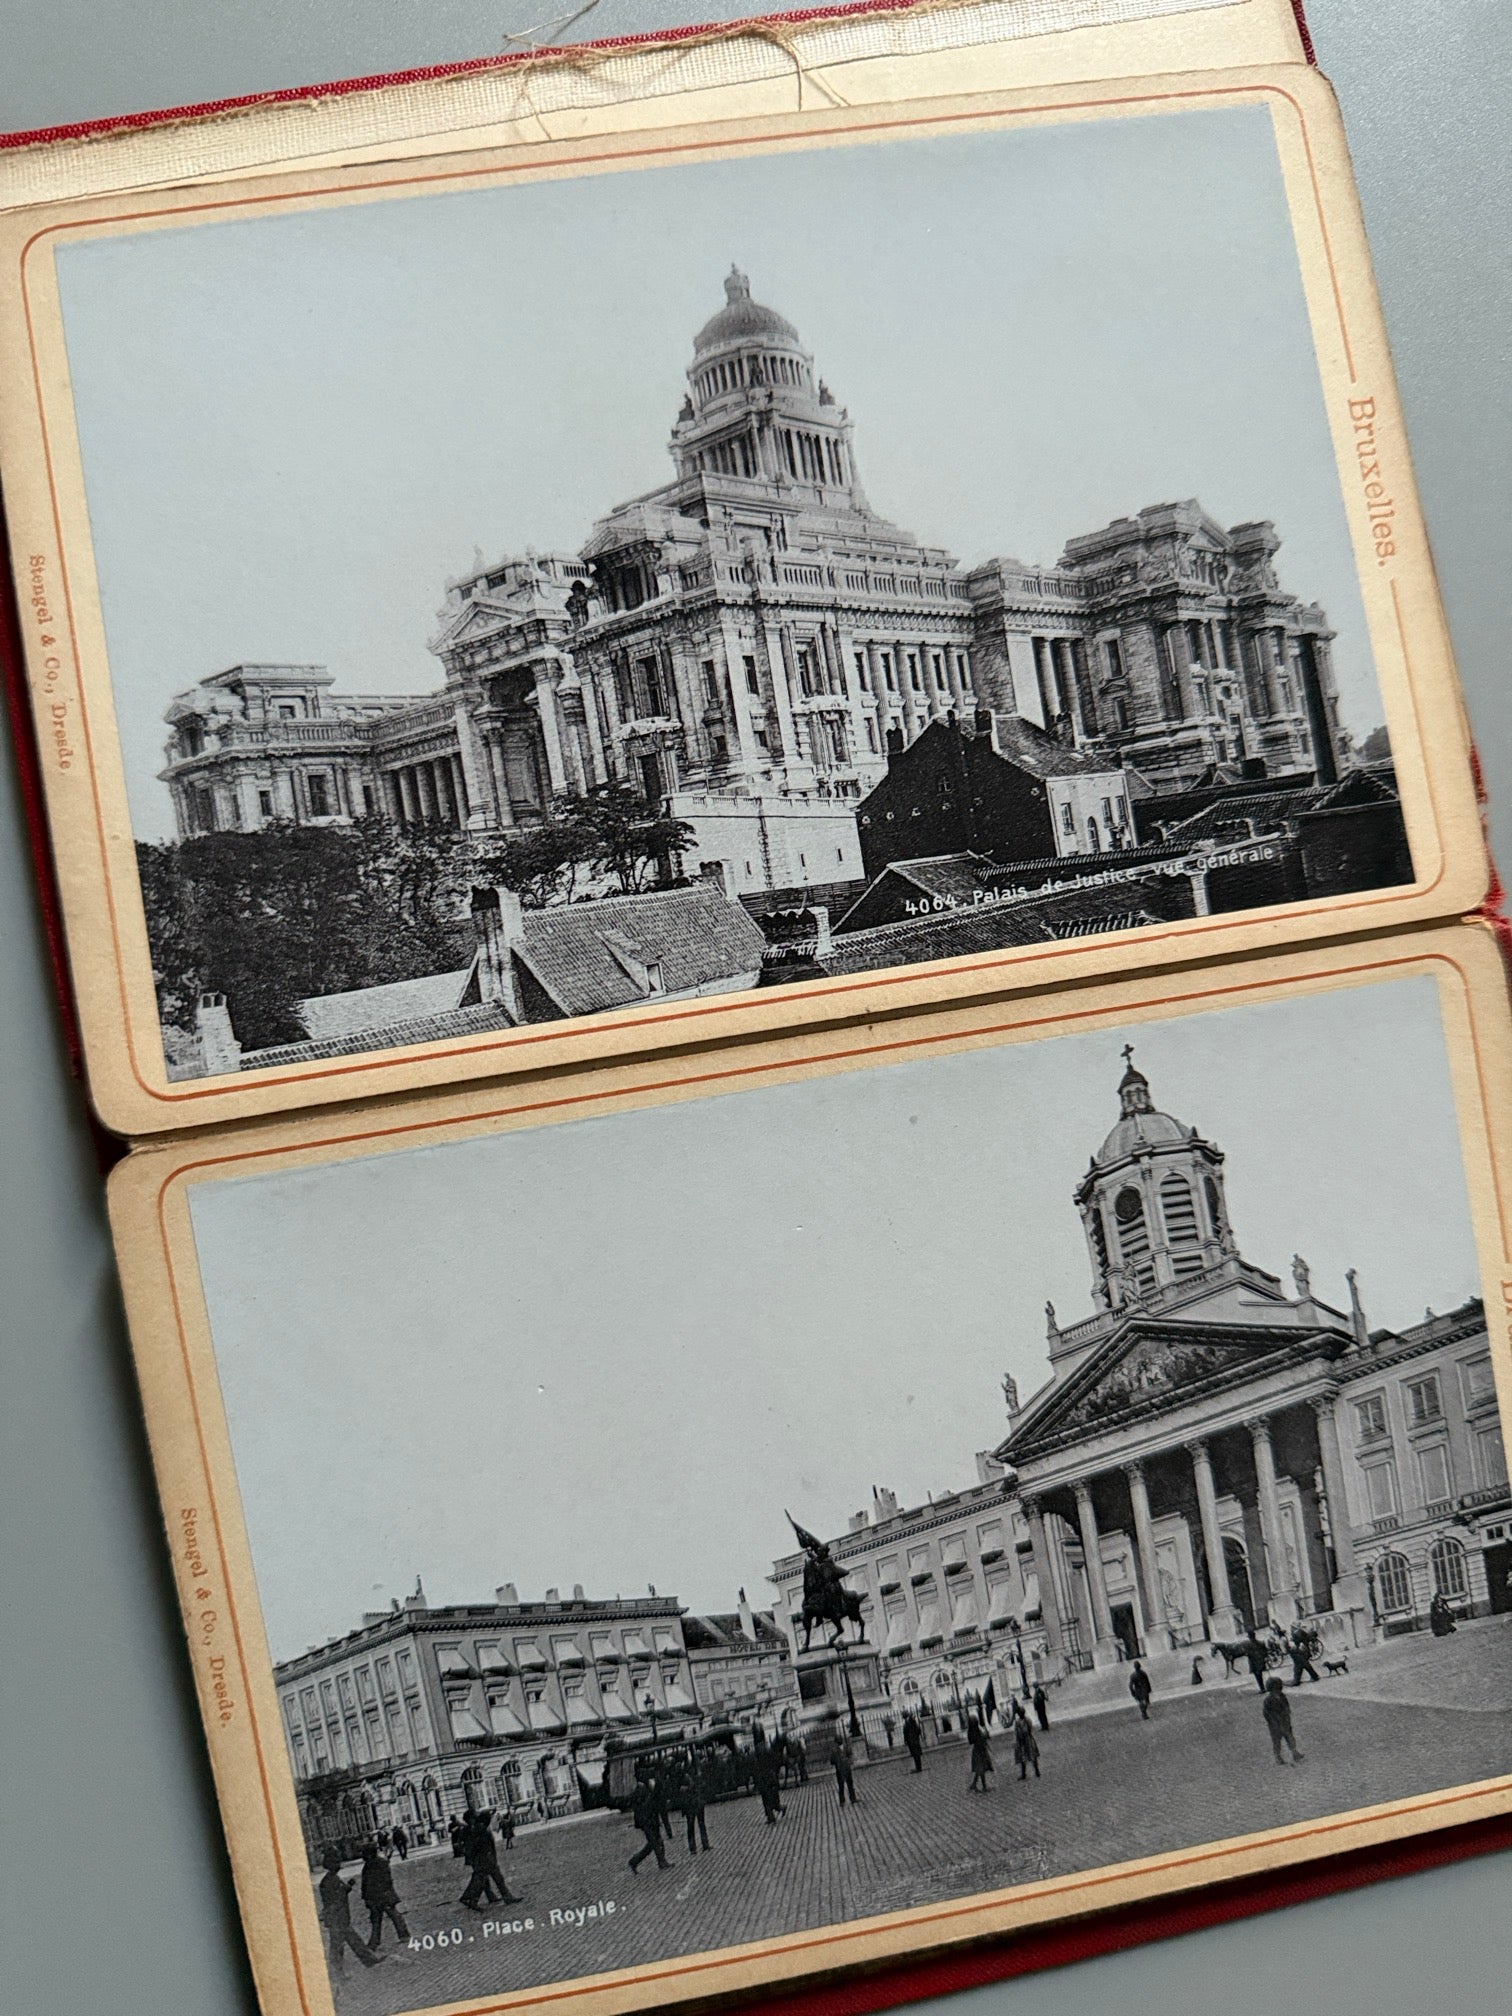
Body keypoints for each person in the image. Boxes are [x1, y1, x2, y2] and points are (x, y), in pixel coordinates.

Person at [317, 1848, 384, 1972]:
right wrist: (346, 1888)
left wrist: (348, 1886)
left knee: (354, 1941)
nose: (339, 1865)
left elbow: (338, 1894)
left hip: (340, 1917)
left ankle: (370, 1960)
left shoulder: (332, 1878)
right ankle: (336, 1973)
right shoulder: (328, 1881)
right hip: (336, 1918)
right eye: (336, 1863)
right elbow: (334, 1900)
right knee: (337, 1948)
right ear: (331, 1865)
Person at [460, 1807, 518, 1910]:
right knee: (488, 1879)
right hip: (485, 1859)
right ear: (471, 1818)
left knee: (484, 1880)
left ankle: (480, 1898)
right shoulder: (478, 1829)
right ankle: (471, 1900)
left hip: (482, 1859)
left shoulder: (472, 1828)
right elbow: (478, 1846)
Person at [360, 1839, 410, 1948]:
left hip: (383, 1895)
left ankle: (403, 1935)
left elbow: (385, 1880)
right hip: (377, 1896)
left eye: (364, 1853)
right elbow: (365, 1883)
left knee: (391, 1916)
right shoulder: (372, 1864)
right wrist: (366, 1897)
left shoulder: (378, 1864)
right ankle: (375, 1942)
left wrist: (369, 1895)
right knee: (377, 1919)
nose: (362, 1856)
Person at [628, 1771, 671, 1873]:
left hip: (650, 1819)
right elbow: (642, 1806)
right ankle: (661, 1862)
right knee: (655, 1842)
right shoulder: (641, 1789)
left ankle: (635, 1861)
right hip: (647, 1820)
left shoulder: (645, 1788)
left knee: (654, 1843)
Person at [1262, 1677, 1306, 1765]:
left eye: (1279, 1689)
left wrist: (1287, 1714)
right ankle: (1278, 1757)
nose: (1278, 1691)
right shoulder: (1268, 1700)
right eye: (1275, 1689)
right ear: (1271, 1689)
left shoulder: (1282, 1696)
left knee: (1290, 1738)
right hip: (1275, 1725)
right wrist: (1274, 1722)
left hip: (1285, 1722)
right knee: (1277, 1742)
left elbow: (1286, 1706)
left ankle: (1294, 1752)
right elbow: (1267, 1714)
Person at [678, 1754, 712, 1855]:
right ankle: (695, 1846)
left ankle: (700, 1845)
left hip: (695, 1801)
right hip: (691, 1802)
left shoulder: (694, 1773)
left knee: (697, 1824)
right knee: (693, 1825)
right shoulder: (684, 1775)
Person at [751, 1734, 784, 1824]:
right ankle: (775, 1812)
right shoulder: (768, 1749)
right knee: (771, 1797)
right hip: (770, 1776)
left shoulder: (757, 1751)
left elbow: (755, 1766)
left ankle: (772, 1816)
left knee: (766, 1798)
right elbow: (775, 1761)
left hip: (764, 1778)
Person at [966, 1715, 994, 1794]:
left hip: (980, 1750)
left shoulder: (977, 1729)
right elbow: (973, 1741)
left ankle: (974, 1784)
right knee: (981, 1768)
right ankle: (984, 1786)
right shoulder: (974, 1731)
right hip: (979, 1751)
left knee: (980, 1768)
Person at [1012, 1705, 1040, 1781]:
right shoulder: (1020, 1721)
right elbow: (1017, 1732)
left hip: (1026, 1740)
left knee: (1031, 1755)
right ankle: (1025, 1773)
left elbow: (1027, 1729)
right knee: (1024, 1757)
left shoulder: (1024, 1720)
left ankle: (1036, 1771)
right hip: (1024, 1740)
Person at [833, 1725, 859, 1807]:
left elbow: (850, 1754)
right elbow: (832, 1761)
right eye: (838, 1740)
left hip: (847, 1768)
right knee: (841, 1786)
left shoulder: (845, 1747)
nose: (839, 1741)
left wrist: (848, 1761)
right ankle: (842, 1801)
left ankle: (853, 1798)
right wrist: (838, 1762)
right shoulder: (834, 1750)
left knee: (850, 1784)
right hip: (840, 1770)